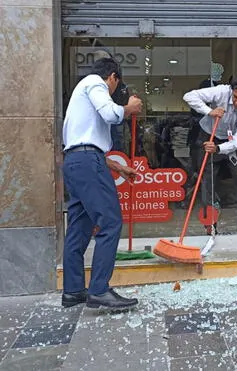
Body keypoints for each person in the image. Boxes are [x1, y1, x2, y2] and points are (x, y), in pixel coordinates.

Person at [61, 58, 143, 309]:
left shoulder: (80, 97)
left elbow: (85, 144)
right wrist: (129, 107)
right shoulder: (95, 83)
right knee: (110, 221)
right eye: (116, 86)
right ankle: (99, 290)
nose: (115, 90)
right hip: (87, 163)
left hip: (76, 162)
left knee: (79, 227)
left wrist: (119, 167)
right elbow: (110, 114)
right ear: (113, 77)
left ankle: (73, 290)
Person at [183, 76, 237, 234]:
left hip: (232, 142)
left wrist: (218, 148)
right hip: (209, 134)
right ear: (232, 91)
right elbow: (189, 96)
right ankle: (210, 225)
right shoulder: (221, 92)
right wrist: (210, 111)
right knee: (208, 182)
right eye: (236, 97)